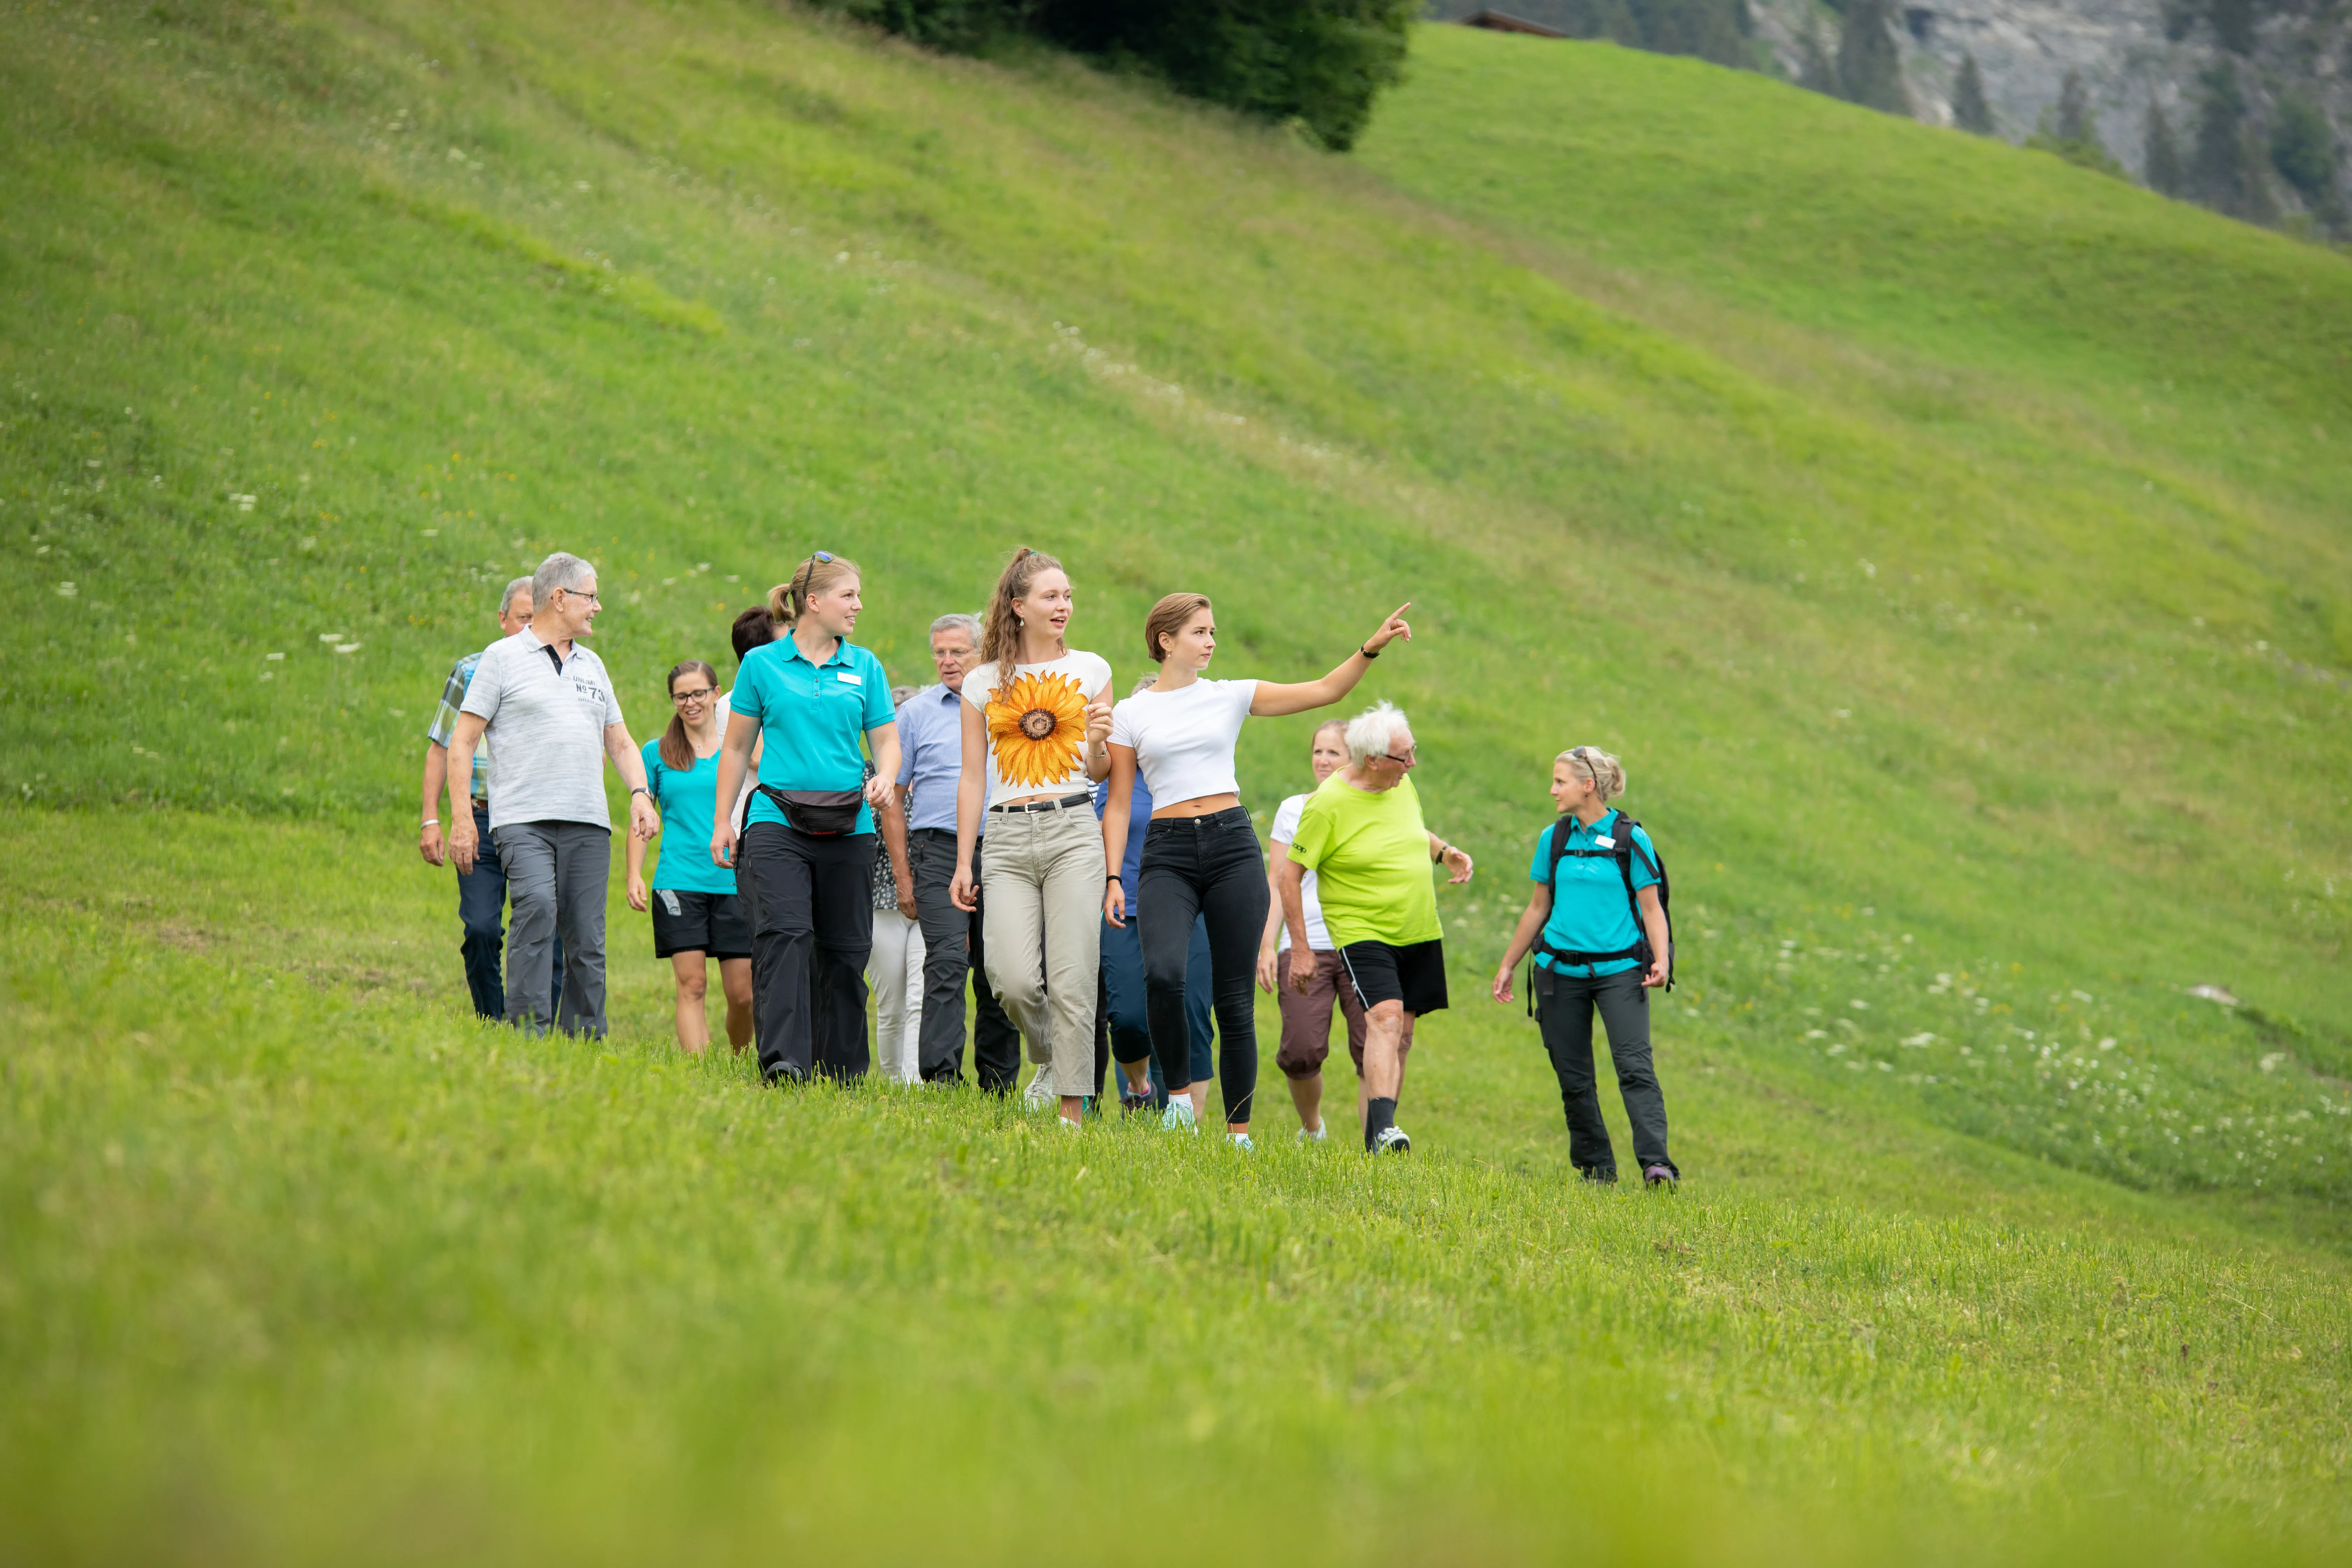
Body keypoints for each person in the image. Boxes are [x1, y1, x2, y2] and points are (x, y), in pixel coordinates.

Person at [1102, 594, 1415, 1149]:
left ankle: (1238, 1131)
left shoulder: (1230, 695)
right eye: (1200, 632)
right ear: (1166, 641)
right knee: (1164, 974)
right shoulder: (1132, 713)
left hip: (1230, 846)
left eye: (1214, 631)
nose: (1212, 641)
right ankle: (1177, 1100)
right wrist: (1111, 878)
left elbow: (1324, 691)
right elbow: (1120, 802)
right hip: (1167, 853)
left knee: (1233, 998)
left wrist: (1371, 647)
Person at [446, 553, 660, 1038]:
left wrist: (641, 793)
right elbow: (461, 741)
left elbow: (621, 742)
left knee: (587, 936)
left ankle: (584, 1039)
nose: (598, 608)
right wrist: (462, 819)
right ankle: (527, 1032)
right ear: (560, 598)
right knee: (537, 907)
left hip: (588, 822)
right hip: (522, 819)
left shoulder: (593, 665)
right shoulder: (501, 659)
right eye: (591, 596)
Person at [713, 553, 899, 1083]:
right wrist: (723, 821)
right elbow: (735, 750)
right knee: (784, 936)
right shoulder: (762, 666)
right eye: (849, 596)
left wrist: (884, 776)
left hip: (851, 824)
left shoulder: (865, 666)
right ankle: (784, 1064)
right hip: (776, 820)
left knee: (845, 950)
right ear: (813, 603)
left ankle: (841, 1072)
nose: (859, 605)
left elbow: (886, 740)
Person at [948, 549, 1114, 1129]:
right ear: (1018, 607)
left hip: (1073, 830)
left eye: (1067, 595)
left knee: (1073, 978)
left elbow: (1100, 772)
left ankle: (1072, 1113)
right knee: (1010, 978)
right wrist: (964, 859)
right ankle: (1047, 1054)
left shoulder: (1092, 670)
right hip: (1006, 837)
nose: (1064, 605)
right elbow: (972, 777)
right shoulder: (980, 682)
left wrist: (1096, 741)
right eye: (1051, 596)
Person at [1279, 702, 1473, 1154]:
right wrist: (1303, 950)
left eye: (1413, 752)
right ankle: (1386, 1129)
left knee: (1401, 1035)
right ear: (1372, 759)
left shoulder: (1400, 783)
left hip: (1418, 927)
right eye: (1404, 757)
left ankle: (1376, 1142)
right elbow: (1290, 877)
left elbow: (1409, 832)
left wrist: (1445, 852)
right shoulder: (1327, 804)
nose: (1413, 763)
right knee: (1384, 1019)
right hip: (1363, 929)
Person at [1489, 746, 1679, 1186]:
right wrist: (1508, 963)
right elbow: (1538, 908)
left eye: (1560, 781)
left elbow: (1652, 909)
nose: (1552, 789)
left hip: (1620, 973)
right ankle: (1597, 1171)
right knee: (1573, 1077)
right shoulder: (1553, 839)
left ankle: (1657, 1165)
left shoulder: (1631, 838)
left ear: (1588, 786)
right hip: (1558, 973)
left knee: (1634, 1067)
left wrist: (1662, 959)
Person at [1259, 720, 1413, 1142]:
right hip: (1304, 940)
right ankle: (1313, 1128)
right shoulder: (1295, 808)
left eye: (1334, 753)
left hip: (1365, 941)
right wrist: (1268, 945)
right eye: (1318, 752)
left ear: (1358, 760)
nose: (1324, 761)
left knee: (1375, 1050)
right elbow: (1277, 881)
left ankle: (1376, 1143)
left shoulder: (1381, 804)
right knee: (1300, 1051)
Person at [418, 576, 560, 1019]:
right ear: (502, 620)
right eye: (522, 619)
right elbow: (442, 747)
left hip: (539, 820)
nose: (529, 629)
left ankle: (542, 1030)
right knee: (481, 928)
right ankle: (493, 1019)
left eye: (537, 620)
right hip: (481, 820)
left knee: (547, 928)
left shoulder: (565, 670)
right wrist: (432, 819)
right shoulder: (471, 670)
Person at [896, 612, 1022, 1090]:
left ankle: (998, 1083)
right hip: (937, 849)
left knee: (999, 970)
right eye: (939, 653)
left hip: (1005, 846)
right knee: (946, 961)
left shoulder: (1009, 707)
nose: (947, 661)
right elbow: (896, 798)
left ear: (980, 652)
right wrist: (905, 875)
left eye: (957, 652)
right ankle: (941, 1077)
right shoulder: (916, 713)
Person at [1096, 676, 1216, 1117]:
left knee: (1192, 1014)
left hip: (1193, 906)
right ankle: (1140, 1086)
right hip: (1126, 904)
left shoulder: (1203, 772)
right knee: (1127, 1018)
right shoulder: (1115, 774)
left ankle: (1185, 1125)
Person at [626, 660, 752, 1055]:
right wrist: (634, 873)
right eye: (682, 696)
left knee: (744, 993)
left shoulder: (743, 746)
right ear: (673, 700)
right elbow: (643, 818)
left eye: (699, 693)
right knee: (692, 984)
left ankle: (738, 1058)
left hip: (735, 881)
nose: (691, 702)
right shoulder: (657, 753)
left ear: (717, 694)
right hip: (679, 881)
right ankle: (702, 1070)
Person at [868, 685, 925, 1085]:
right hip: (880, 901)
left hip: (932, 898)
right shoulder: (866, 779)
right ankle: (892, 1083)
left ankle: (913, 1084)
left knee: (921, 996)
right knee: (891, 1003)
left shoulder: (937, 775)